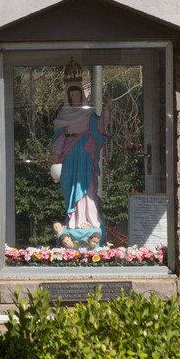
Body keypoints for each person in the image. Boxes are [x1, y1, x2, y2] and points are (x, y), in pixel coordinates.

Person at [50, 66, 108, 248]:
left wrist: (106, 109)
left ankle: (89, 220)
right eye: (72, 95)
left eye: (78, 94)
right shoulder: (63, 115)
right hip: (69, 156)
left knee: (86, 188)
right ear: (68, 97)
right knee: (69, 186)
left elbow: (100, 128)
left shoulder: (89, 113)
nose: (75, 97)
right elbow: (58, 138)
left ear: (82, 95)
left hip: (85, 154)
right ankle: (73, 220)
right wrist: (55, 155)